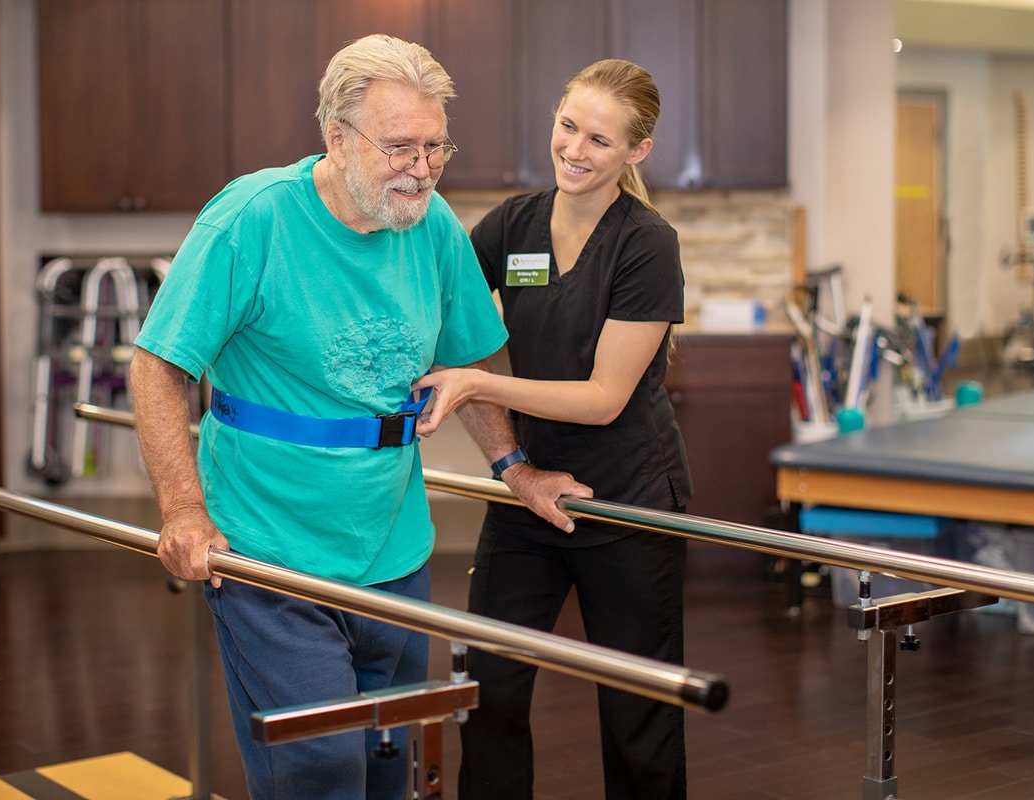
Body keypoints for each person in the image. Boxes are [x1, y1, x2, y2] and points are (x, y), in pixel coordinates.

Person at [128, 34, 585, 800]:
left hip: (393, 552)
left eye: (436, 147)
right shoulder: (253, 220)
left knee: (386, 763)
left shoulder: (432, 225)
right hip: (270, 551)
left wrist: (516, 469)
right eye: (401, 146)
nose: (423, 168)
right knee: (320, 767)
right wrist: (181, 509)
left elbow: (474, 361)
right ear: (335, 138)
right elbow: (158, 364)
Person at [412, 59, 693, 800]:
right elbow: (443, 304)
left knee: (638, 709)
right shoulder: (514, 225)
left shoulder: (646, 244)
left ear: (638, 151)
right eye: (568, 126)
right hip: (531, 494)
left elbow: (604, 397)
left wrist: (477, 381)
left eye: (600, 139)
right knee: (489, 687)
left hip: (628, 499)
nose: (575, 149)